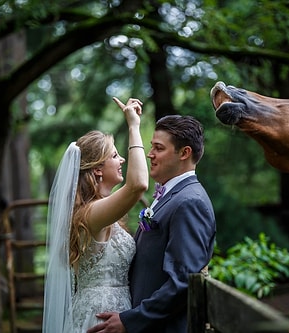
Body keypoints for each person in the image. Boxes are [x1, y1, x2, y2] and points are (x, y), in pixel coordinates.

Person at [89, 115, 217, 333]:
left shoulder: (190, 201)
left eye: (158, 148)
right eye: (151, 147)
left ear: (184, 153)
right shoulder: (171, 196)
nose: (150, 154)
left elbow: (183, 280)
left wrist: (131, 320)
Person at [42, 97, 148, 333]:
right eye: (114, 156)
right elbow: (139, 183)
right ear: (98, 169)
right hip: (99, 318)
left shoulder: (102, 210)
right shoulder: (90, 214)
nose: (121, 160)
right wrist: (133, 126)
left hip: (116, 315)